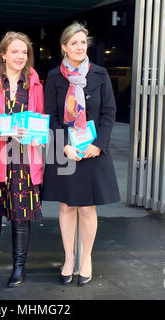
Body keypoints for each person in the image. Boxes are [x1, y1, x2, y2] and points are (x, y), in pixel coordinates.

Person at [42, 22, 120, 286]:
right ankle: (68, 258)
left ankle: (85, 258)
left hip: (92, 150)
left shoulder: (99, 73)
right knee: (66, 206)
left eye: (83, 42)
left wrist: (98, 144)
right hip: (66, 149)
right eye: (73, 42)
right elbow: (50, 115)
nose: (79, 47)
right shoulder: (54, 76)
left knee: (87, 207)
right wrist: (64, 145)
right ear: (64, 47)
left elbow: (109, 112)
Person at [0, 31, 44, 288]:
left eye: (24, 52)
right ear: (3, 54)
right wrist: (4, 131)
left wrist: (39, 136)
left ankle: (18, 267)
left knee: (21, 214)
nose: (20, 56)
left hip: (25, 160)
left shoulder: (35, 84)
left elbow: (40, 121)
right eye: (14, 51)